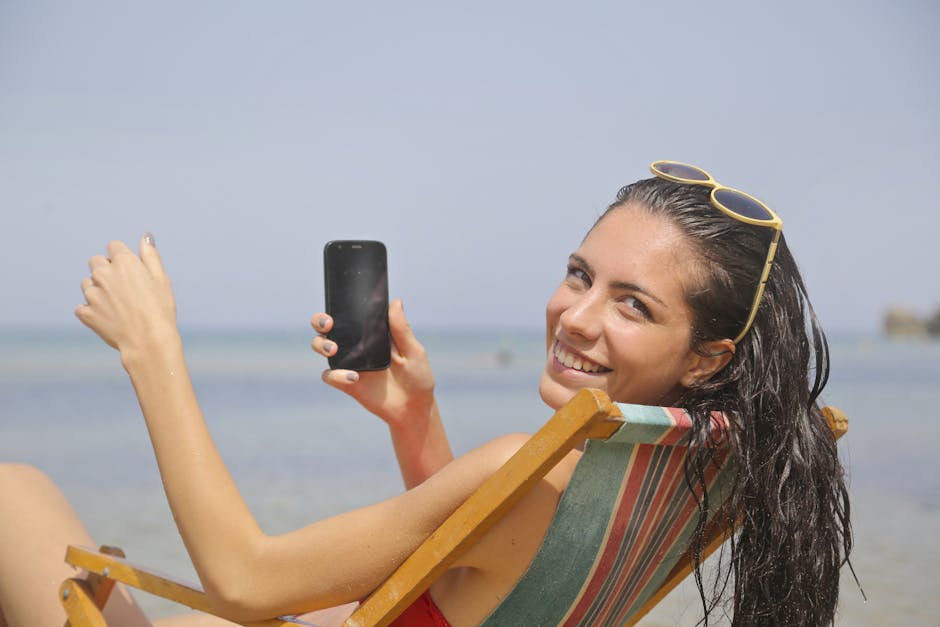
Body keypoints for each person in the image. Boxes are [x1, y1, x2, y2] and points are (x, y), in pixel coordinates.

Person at [0, 161, 852, 626]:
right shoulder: (692, 465)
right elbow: (489, 570)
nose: (574, 317)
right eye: (579, 275)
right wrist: (416, 417)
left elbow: (244, 580)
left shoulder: (535, 468)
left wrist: (152, 349)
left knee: (13, 496)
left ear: (705, 358)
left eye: (633, 305)